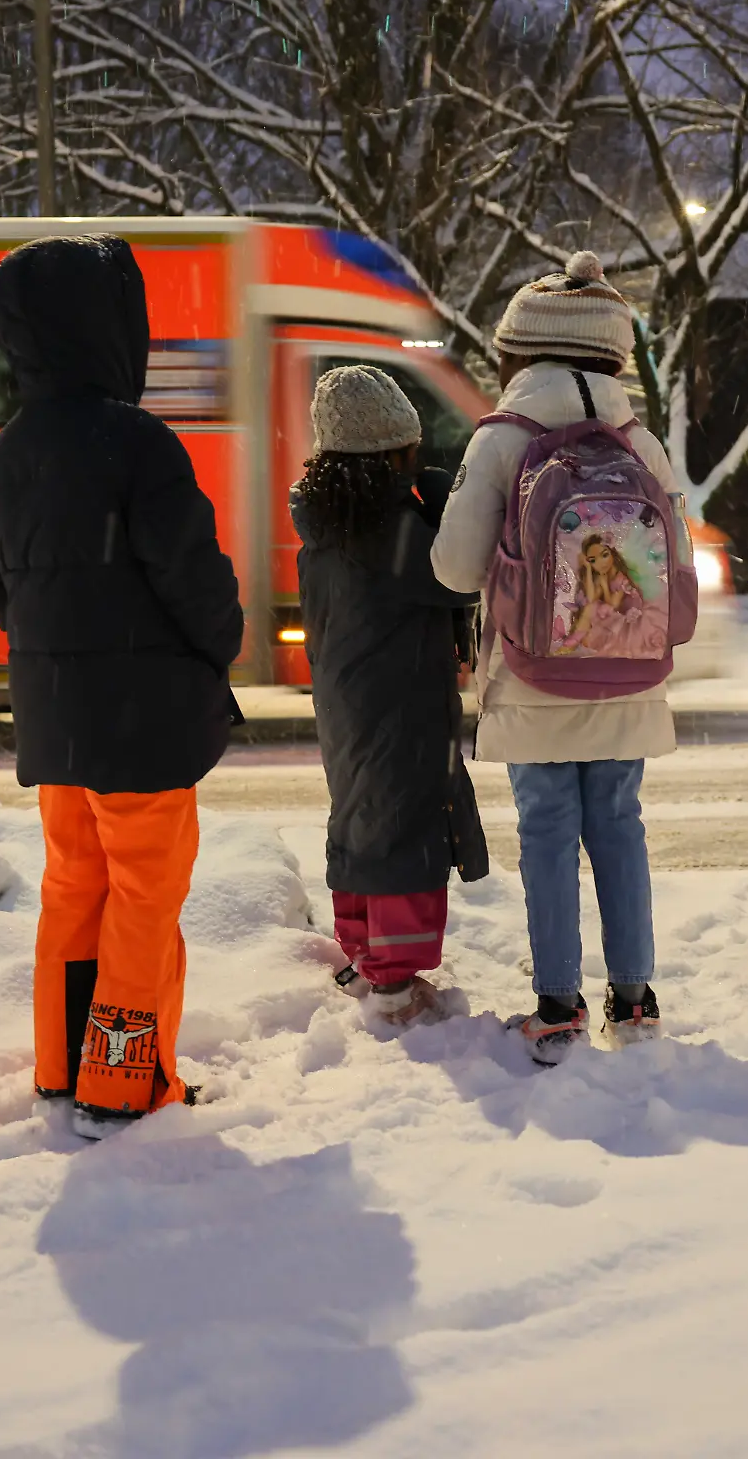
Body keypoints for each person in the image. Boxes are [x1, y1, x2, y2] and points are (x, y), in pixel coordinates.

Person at [0, 235, 244, 1139]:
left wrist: (54, 650)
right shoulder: (139, 443)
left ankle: (62, 1066)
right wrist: (217, 649)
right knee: (143, 896)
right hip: (143, 726)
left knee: (73, 887)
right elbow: (194, 581)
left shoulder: (9, 452)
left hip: (58, 726)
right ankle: (121, 1084)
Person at [431, 251, 678, 1062]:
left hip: (534, 671)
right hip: (627, 671)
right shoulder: (642, 441)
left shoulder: (504, 437)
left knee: (546, 827)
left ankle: (558, 1001)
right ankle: (636, 998)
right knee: (619, 821)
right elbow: (673, 572)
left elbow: (457, 568)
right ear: (611, 351)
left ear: (520, 351)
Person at [290, 365, 488, 1027]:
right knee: (401, 824)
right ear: (390, 454)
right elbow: (461, 579)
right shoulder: (393, 530)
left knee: (362, 816)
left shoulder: (326, 525)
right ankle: (394, 990)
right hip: (398, 705)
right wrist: (439, 497)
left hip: (347, 703)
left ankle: (369, 956)